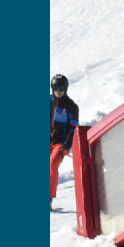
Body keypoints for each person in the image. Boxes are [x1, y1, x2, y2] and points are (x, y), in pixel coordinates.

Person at [50, 74, 80, 209]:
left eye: (61, 87)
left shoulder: (71, 106)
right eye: (56, 87)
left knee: (52, 167)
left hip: (60, 143)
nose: (58, 91)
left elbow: (73, 128)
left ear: (66, 88)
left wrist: (67, 145)